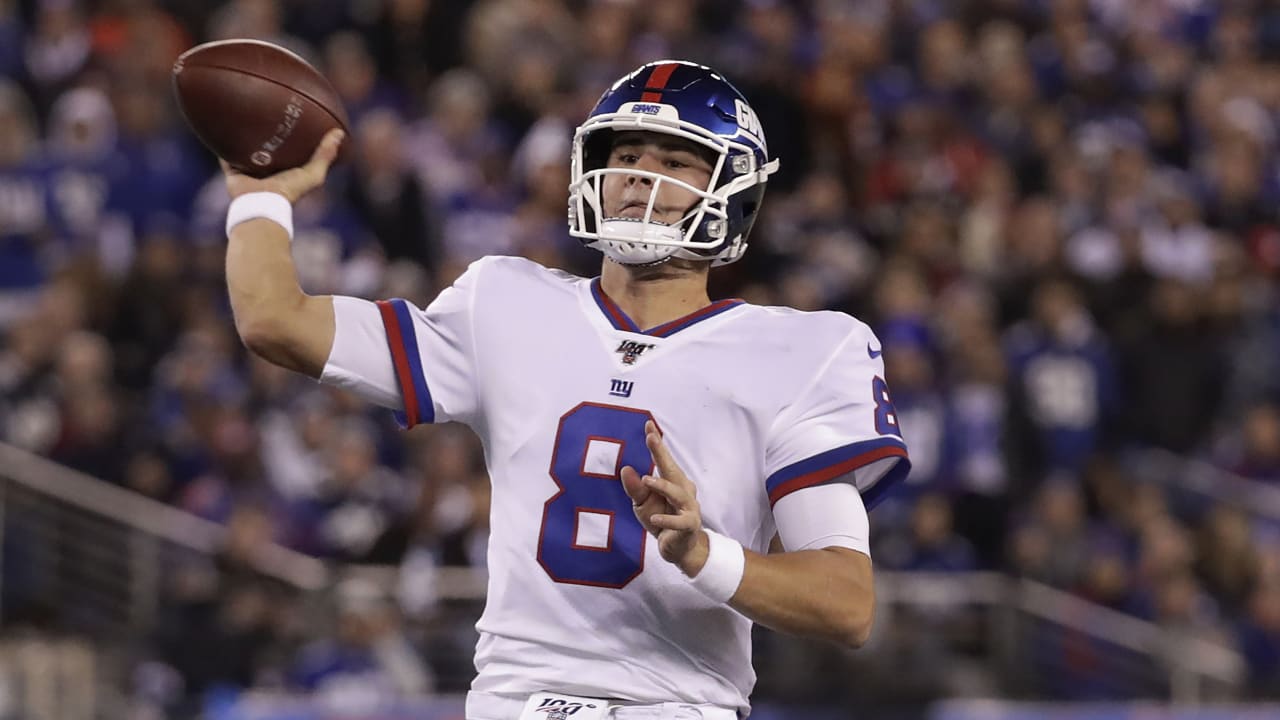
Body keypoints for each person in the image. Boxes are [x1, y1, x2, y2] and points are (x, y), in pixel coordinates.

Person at [220, 60, 910, 720]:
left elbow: (845, 603)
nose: (641, 177)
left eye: (673, 162)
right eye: (628, 155)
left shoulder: (804, 351)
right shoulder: (505, 302)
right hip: (513, 703)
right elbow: (275, 321)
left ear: (734, 190)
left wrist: (705, 554)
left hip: (673, 708)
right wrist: (259, 199)